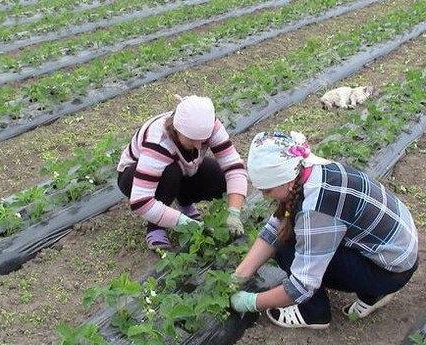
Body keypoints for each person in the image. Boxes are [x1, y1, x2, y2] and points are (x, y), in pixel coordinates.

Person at [230, 131, 419, 329]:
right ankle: (373, 293)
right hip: (396, 256)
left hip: (390, 271)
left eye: (267, 190)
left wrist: (251, 302)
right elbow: (275, 228)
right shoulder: (311, 170)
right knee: (289, 235)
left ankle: (313, 313)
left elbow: (301, 286)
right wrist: (241, 274)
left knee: (287, 249)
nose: (263, 195)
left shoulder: (317, 208)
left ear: (285, 181)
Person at [116, 95, 248, 249]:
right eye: (192, 139)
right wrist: (187, 224)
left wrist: (234, 212)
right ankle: (155, 227)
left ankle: (184, 202)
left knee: (218, 177)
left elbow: (234, 167)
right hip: (133, 178)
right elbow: (141, 201)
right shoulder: (158, 141)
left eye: (203, 139)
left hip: (183, 169)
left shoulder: (210, 125)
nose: (199, 146)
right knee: (169, 172)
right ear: (177, 130)